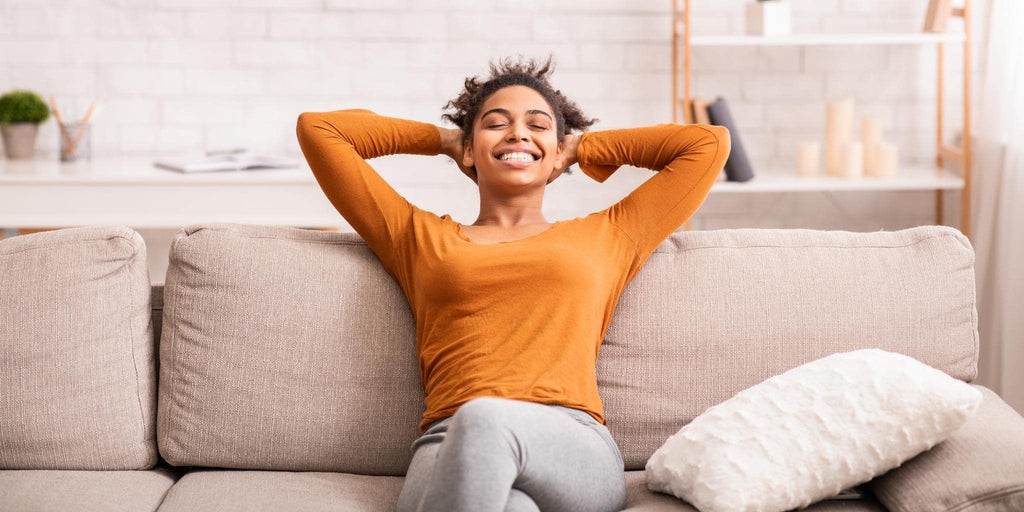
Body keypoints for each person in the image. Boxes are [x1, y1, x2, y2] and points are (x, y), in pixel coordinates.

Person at [296, 56, 730, 512]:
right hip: (446, 444)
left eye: (537, 125)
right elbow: (320, 130)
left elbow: (706, 144)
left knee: (486, 420)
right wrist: (447, 139)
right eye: (496, 124)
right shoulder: (417, 238)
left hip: (570, 443)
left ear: (558, 151)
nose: (518, 133)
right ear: (470, 150)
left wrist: (578, 147)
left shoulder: (609, 235)